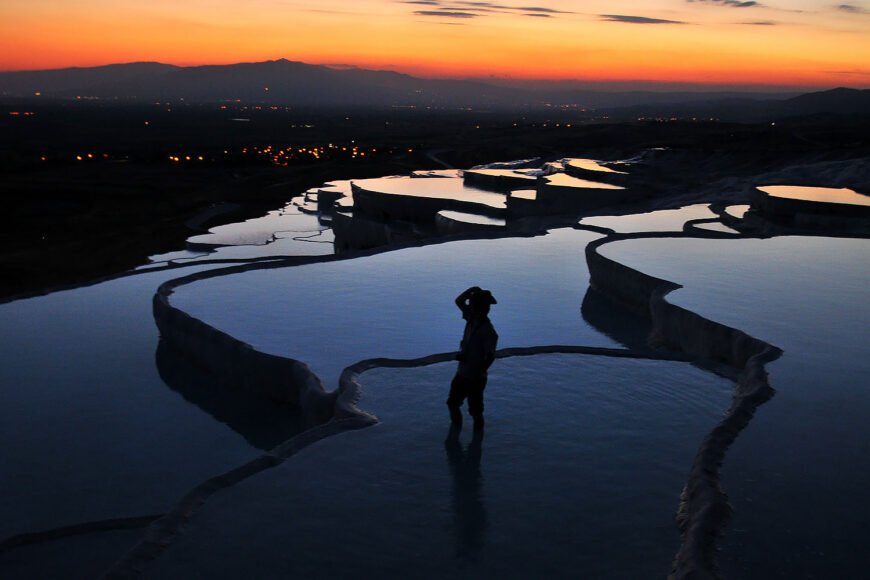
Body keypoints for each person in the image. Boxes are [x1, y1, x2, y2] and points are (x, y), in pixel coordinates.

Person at [447, 286, 498, 431]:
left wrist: (477, 374)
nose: (469, 307)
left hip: (475, 377)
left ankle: (476, 439)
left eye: (472, 305)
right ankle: (456, 429)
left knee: (475, 411)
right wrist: (472, 289)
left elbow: (490, 357)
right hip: (463, 372)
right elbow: (458, 301)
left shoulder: (488, 331)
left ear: (479, 309)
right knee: (452, 403)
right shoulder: (471, 318)